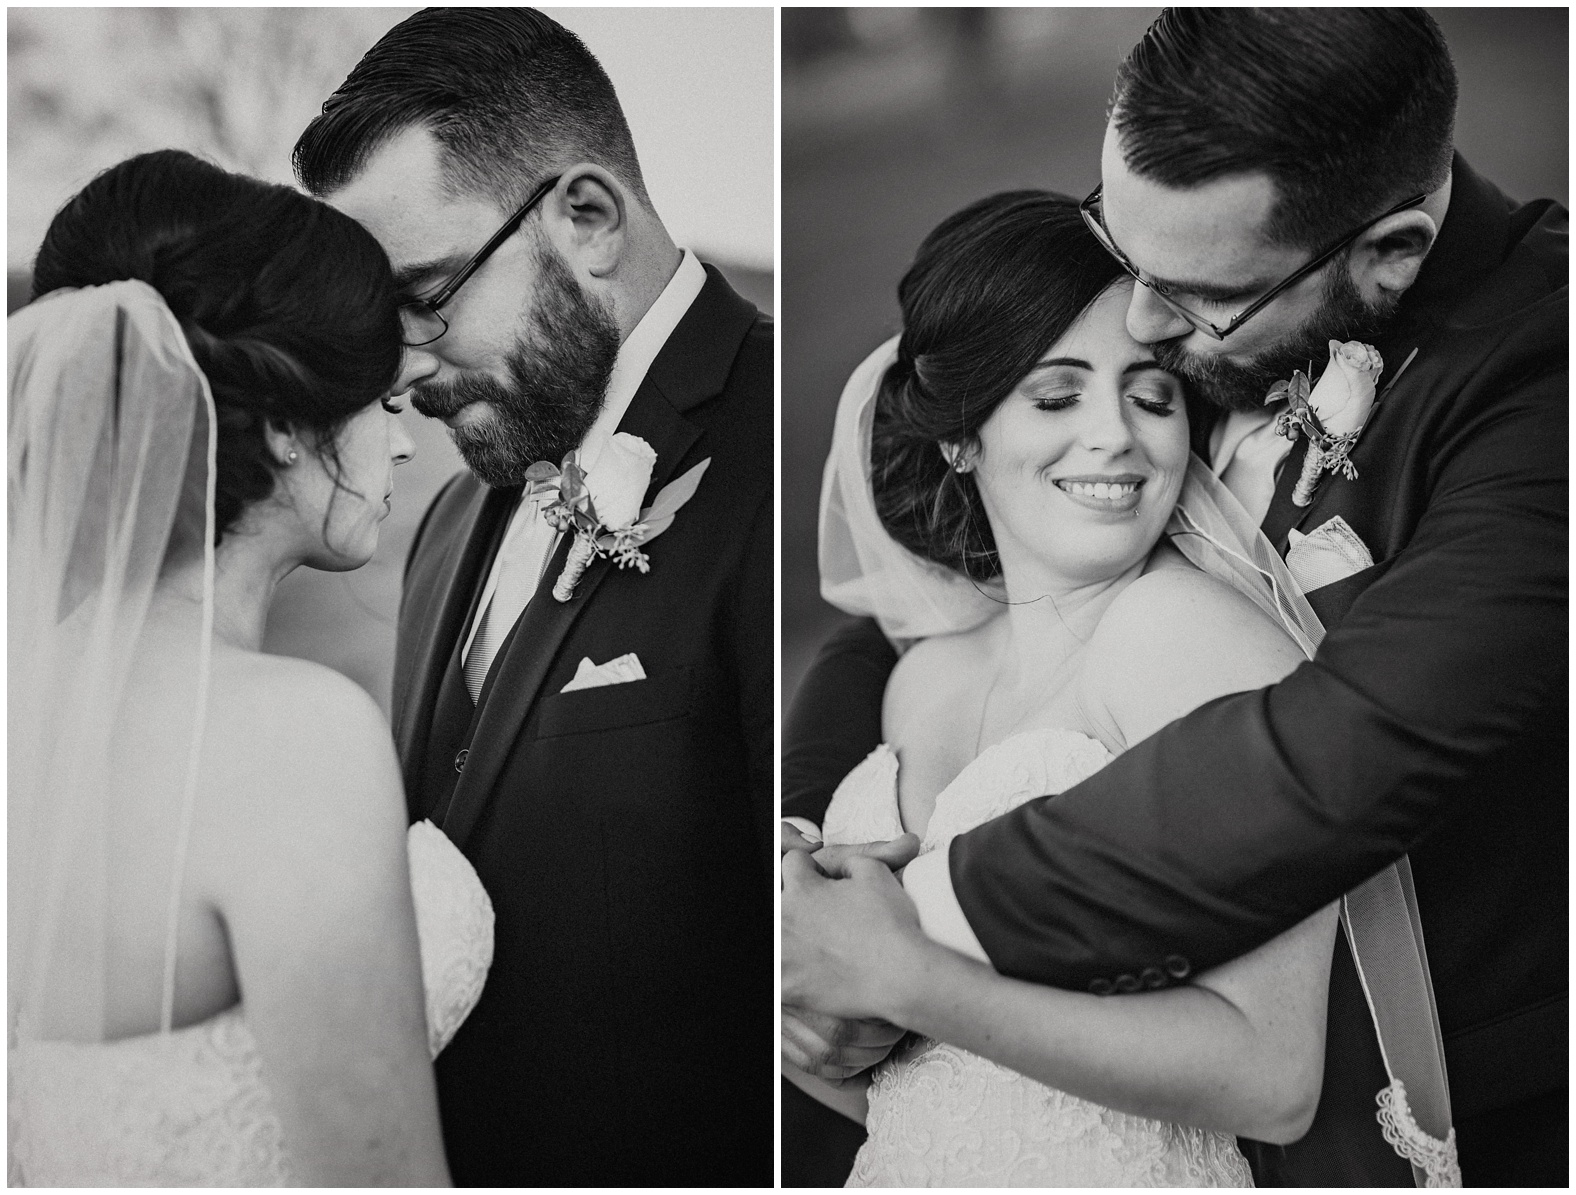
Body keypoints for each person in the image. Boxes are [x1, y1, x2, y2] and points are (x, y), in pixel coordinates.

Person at [784, 8, 1566, 1187]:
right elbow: (968, 570)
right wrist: (804, 855)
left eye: (1187, 306)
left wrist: (917, 920)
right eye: (1122, 244)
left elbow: (1340, 745)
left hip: (1481, 1093)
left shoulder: (1537, 383)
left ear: (1389, 253)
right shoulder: (1205, 249)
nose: (1141, 314)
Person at [292, 9, 772, 1185]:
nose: (401, 368)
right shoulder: (447, 525)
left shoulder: (771, 441)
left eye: (430, 293)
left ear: (587, 217)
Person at [784, 190, 1351, 1185]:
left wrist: (906, 979)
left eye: (1151, 392)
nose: (1116, 436)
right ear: (962, 436)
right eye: (1055, 396)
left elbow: (1273, 1077)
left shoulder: (1184, 638)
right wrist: (814, 1012)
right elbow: (910, 1089)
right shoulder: (919, 681)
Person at [9, 150, 491, 1186]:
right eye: (386, 409)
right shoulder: (288, 736)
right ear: (281, 424)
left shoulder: (27, 702)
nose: (400, 451)